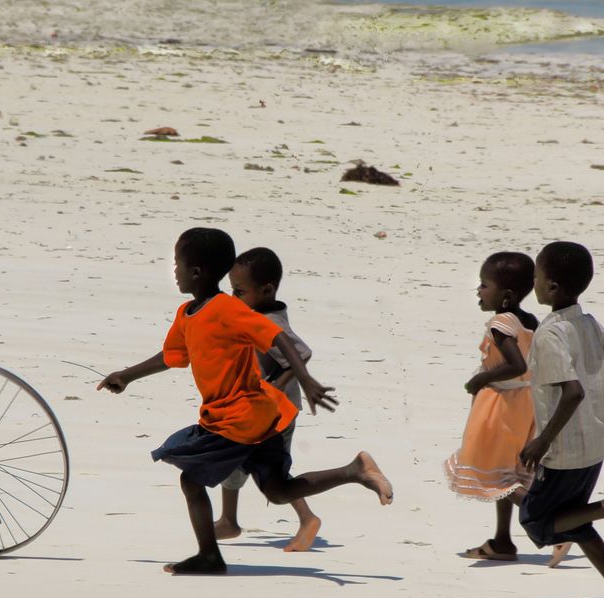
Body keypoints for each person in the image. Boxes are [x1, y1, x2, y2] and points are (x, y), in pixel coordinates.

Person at [97, 227, 393, 575]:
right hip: (257, 417)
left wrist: (307, 379)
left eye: (177, 263)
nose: (173, 270)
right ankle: (355, 471)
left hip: (234, 419)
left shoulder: (227, 309)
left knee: (191, 480)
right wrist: (126, 375)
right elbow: (172, 356)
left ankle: (209, 555)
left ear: (196, 272)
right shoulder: (187, 314)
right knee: (278, 490)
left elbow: (278, 337)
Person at [518, 241, 604, 598]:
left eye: (537, 276)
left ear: (552, 286)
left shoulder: (550, 335)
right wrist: (593, 403)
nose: (534, 282)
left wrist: (541, 440)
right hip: (595, 442)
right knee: (572, 517)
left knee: (538, 523)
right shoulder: (588, 324)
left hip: (564, 450)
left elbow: (571, 393)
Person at [214, 246, 321, 552]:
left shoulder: (272, 322)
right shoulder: (255, 312)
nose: (235, 297)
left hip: (277, 412)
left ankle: (308, 517)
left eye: (240, 291)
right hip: (256, 411)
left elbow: (301, 353)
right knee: (233, 458)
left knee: (271, 472)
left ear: (267, 290)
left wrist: (273, 386)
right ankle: (228, 521)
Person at [445, 252, 538, 562]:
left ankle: (557, 524)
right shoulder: (530, 321)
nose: (478, 291)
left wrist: (480, 380)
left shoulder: (501, 322)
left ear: (506, 295)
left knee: (496, 477)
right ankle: (502, 540)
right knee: (506, 470)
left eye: (484, 285)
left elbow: (515, 364)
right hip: (525, 402)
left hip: (501, 404)